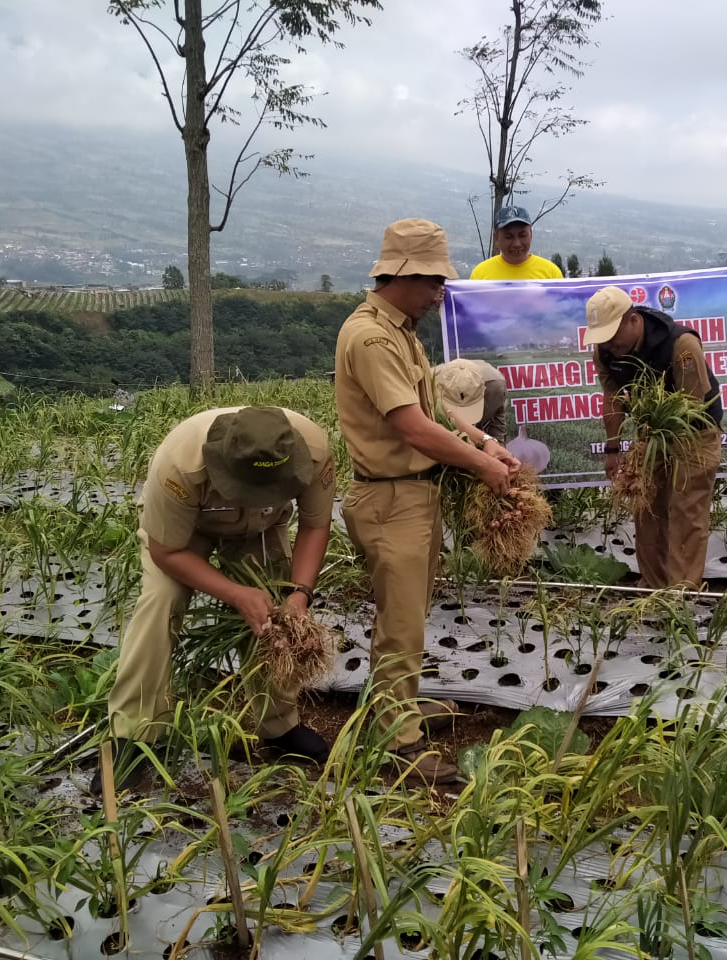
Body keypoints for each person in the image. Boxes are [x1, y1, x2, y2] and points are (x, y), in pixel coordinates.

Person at [335, 218, 520, 785]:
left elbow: (435, 411)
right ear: (401, 275)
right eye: (433, 280)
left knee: (408, 617)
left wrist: (484, 441)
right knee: (401, 624)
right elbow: (413, 429)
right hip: (390, 500)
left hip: (414, 498)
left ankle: (398, 707)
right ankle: (400, 741)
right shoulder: (370, 338)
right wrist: (484, 466)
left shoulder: (403, 331)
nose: (441, 291)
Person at [99, 406, 336, 792]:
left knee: (273, 618)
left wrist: (299, 596)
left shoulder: (313, 451)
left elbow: (315, 523)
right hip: (183, 535)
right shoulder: (179, 465)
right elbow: (166, 553)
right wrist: (236, 593)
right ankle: (133, 735)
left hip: (259, 529)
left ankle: (279, 725)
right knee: (161, 602)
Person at [585, 285, 723, 589]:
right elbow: (613, 398)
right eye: (602, 338)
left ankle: (680, 593)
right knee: (645, 505)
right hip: (651, 432)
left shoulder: (680, 344)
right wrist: (613, 450)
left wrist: (663, 452)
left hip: (693, 430)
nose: (609, 345)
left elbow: (692, 405)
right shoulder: (605, 351)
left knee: (686, 509)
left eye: (612, 335)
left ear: (633, 320)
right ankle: (654, 586)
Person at [469, 206, 564, 280]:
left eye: (522, 235)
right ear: (496, 238)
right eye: (508, 237)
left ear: (531, 234)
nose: (517, 244)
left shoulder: (551, 273)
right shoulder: (480, 274)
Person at [432, 357, 508, 444]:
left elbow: (497, 430)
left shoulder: (495, 387)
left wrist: (497, 448)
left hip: (490, 383)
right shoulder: (429, 387)